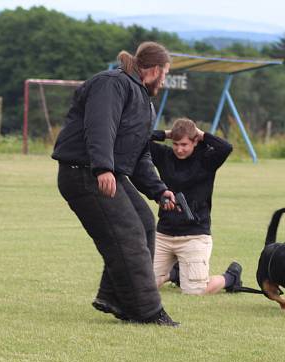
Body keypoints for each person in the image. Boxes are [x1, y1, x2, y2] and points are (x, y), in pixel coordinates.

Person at [52, 41, 180, 326]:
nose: (165, 80)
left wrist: (159, 190)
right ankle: (147, 311)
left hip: (105, 173)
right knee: (129, 235)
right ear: (157, 69)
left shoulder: (142, 99)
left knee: (145, 223)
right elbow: (100, 126)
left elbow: (139, 152)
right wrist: (103, 168)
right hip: (84, 172)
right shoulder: (112, 84)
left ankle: (114, 298)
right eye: (166, 73)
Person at [149, 117, 241, 295]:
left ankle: (231, 277)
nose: (179, 149)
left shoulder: (207, 159)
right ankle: (175, 273)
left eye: (184, 144)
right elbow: (138, 138)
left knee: (195, 291)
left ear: (194, 141)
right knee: (143, 285)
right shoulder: (164, 155)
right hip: (164, 233)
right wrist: (166, 134)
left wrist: (201, 134)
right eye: (175, 144)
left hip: (194, 235)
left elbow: (226, 147)